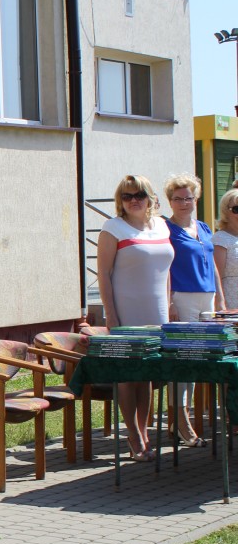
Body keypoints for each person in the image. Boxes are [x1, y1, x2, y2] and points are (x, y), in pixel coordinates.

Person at [97, 175, 174, 461]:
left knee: (147, 375)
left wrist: (169, 307)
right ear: (120, 201)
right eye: (127, 196)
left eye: (139, 194)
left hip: (158, 314)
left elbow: (165, 272)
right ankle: (133, 435)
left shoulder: (162, 225)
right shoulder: (113, 227)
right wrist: (111, 315)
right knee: (129, 376)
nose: (133, 200)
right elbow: (103, 274)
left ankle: (144, 431)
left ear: (150, 198)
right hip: (126, 311)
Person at [163, 174, 215, 447]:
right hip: (182, 296)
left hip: (208, 297)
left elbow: (212, 265)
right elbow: (164, 267)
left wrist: (220, 301)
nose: (184, 203)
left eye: (189, 198)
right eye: (178, 198)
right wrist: (170, 301)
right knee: (183, 359)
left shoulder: (203, 227)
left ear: (197, 199)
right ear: (170, 201)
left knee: (198, 361)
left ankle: (181, 420)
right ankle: (181, 421)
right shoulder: (166, 229)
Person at [213, 188, 238, 310]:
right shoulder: (220, 239)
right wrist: (220, 306)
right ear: (225, 211)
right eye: (236, 209)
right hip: (232, 305)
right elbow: (216, 277)